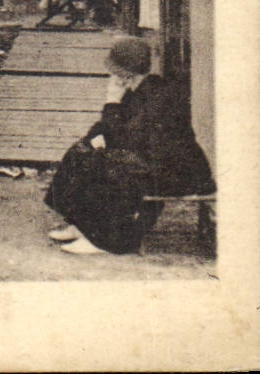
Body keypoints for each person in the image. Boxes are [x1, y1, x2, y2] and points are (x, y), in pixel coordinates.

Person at [45, 36, 215, 254]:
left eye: (116, 73)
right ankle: (81, 224)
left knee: (109, 165)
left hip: (178, 172)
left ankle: (102, 240)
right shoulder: (136, 90)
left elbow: (128, 141)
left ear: (126, 74)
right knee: (82, 150)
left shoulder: (158, 96)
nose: (112, 77)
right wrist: (95, 137)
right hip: (152, 162)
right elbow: (113, 130)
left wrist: (111, 103)